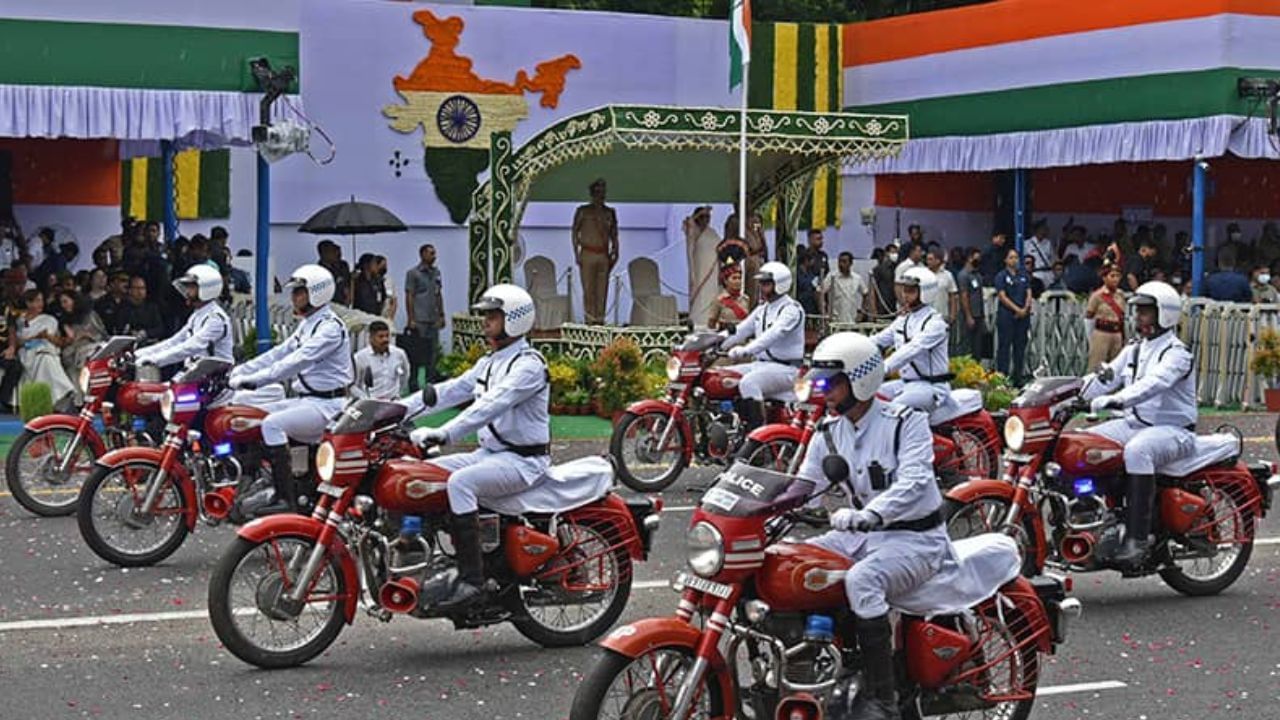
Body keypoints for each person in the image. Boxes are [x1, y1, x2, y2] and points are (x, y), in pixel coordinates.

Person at [799, 332, 952, 720]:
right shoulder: (828, 433)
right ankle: (826, 663)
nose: (825, 391)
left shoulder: (906, 423)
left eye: (832, 383)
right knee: (797, 563)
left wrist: (872, 514)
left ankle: (883, 700)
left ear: (861, 379)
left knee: (862, 581)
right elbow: (803, 487)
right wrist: (750, 504)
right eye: (821, 382)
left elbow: (914, 481)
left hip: (916, 540)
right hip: (860, 536)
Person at [404, 284, 550, 609]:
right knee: (418, 475)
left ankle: (473, 581)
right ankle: (432, 560)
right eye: (485, 315)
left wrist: (445, 433)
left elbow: (490, 406)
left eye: (493, 316)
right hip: (490, 455)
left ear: (514, 319)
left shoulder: (528, 365)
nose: (485, 322)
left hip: (523, 462)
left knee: (461, 483)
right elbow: (449, 391)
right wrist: (394, 410)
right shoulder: (490, 362)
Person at [1081, 281, 1195, 568]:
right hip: (1135, 424)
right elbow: (1105, 378)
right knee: (1082, 443)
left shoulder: (1177, 353)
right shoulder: (1134, 349)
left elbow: (1154, 383)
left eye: (1146, 311)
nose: (1139, 317)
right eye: (1138, 311)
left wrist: (1117, 399)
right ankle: (1091, 518)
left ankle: (1137, 540)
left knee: (1137, 451)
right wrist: (1066, 393)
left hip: (1174, 432)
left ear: (1164, 314)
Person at [229, 264, 353, 514]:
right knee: (251, 415)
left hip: (328, 406)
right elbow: (279, 352)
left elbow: (295, 361)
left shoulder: (329, 328)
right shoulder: (308, 324)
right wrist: (241, 369)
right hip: (307, 401)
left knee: (271, 424)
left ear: (317, 293)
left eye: (299, 292)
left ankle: (285, 498)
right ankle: (253, 480)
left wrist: (255, 381)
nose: (294, 298)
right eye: (295, 292)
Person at [721, 262, 806, 435]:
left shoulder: (791, 310)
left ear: (780, 285)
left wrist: (746, 350)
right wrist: (711, 341)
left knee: (749, 382)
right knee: (721, 375)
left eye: (766, 283)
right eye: (761, 283)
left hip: (787, 369)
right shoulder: (762, 309)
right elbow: (740, 330)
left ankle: (756, 438)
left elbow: (773, 335)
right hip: (761, 365)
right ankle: (730, 427)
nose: (761, 287)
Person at [873, 267, 951, 413]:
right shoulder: (904, 320)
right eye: (905, 290)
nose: (905, 295)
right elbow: (878, 340)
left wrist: (884, 367)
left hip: (931, 387)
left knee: (891, 411)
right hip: (906, 383)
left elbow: (912, 349)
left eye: (911, 291)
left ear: (925, 293)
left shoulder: (935, 324)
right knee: (869, 397)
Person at [134, 265, 234, 369]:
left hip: (215, 378)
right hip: (196, 373)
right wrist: (139, 354)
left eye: (192, 287)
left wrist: (155, 359)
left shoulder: (216, 319)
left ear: (207, 289)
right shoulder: (197, 315)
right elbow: (175, 341)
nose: (187, 292)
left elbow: (192, 346)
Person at [14, 289, 76, 409]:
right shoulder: (19, 320)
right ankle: (61, 391)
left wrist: (47, 336)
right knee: (43, 358)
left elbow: (57, 342)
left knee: (45, 358)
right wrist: (34, 337)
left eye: (41, 300)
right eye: (37, 301)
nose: (40, 304)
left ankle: (63, 391)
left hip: (46, 349)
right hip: (26, 352)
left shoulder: (49, 319)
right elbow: (18, 341)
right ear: (28, 303)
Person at [572, 178, 619, 324]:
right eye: (598, 191)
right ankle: (589, 321)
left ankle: (600, 321)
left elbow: (614, 235)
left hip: (603, 254)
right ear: (592, 193)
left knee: (602, 291)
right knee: (588, 290)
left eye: (603, 191)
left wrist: (616, 251)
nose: (601, 194)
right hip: (588, 253)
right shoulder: (583, 211)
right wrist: (576, 253)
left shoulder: (609, 212)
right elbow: (574, 232)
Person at [404, 243, 446, 391]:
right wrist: (411, 319)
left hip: (433, 319)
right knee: (416, 353)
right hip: (419, 319)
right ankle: (413, 383)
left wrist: (441, 314)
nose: (434, 256)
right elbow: (410, 295)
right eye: (431, 253)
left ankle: (430, 381)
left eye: (434, 253)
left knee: (432, 352)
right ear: (422, 255)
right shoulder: (413, 273)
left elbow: (438, 293)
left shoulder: (436, 272)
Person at [994, 248, 1032, 385]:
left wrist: (1025, 308)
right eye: (1011, 257)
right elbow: (1002, 296)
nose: (1014, 260)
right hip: (1007, 316)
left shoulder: (1024, 275)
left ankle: (1018, 377)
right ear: (1005, 260)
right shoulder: (1001, 276)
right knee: (1004, 347)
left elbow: (1028, 292)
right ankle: (1002, 378)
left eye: (1016, 257)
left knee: (1020, 348)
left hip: (1023, 317)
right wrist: (1017, 309)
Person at [352, 320, 410, 400]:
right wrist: (366, 398)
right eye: (381, 336)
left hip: (393, 401)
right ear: (371, 338)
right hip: (370, 402)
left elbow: (405, 376)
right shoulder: (359, 357)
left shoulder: (399, 354)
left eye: (387, 336)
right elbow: (353, 385)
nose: (385, 340)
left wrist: (397, 393)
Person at [56, 291, 106, 379]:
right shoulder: (64, 321)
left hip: (95, 346)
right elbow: (69, 339)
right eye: (61, 303)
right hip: (75, 351)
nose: (64, 305)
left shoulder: (91, 315)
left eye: (66, 301)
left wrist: (89, 335)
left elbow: (102, 334)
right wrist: (79, 336)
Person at [684, 205, 720, 329]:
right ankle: (698, 322)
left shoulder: (712, 232)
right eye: (703, 217)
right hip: (700, 269)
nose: (706, 219)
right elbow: (689, 221)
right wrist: (700, 213)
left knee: (712, 295)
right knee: (701, 295)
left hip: (713, 270)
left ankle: (712, 321)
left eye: (708, 217)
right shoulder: (694, 230)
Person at [1085, 266, 1127, 369]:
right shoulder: (1097, 295)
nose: (1115, 279)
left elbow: (1121, 317)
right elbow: (1089, 317)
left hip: (1116, 333)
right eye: (1112, 276)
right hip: (1102, 332)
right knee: (1097, 366)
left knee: (1116, 366)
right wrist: (1091, 337)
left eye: (1118, 276)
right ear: (1104, 278)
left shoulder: (1121, 295)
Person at [820, 251, 868, 325]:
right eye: (839, 261)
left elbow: (866, 294)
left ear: (851, 263)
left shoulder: (857, 278)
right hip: (835, 320)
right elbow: (820, 292)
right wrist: (824, 312)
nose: (841, 264)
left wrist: (862, 313)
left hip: (852, 320)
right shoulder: (832, 276)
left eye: (844, 262)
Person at [956, 247, 986, 359]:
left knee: (978, 347)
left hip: (979, 315)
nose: (979, 259)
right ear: (969, 258)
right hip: (969, 316)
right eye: (977, 256)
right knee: (967, 345)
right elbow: (964, 296)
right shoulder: (963, 275)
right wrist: (968, 316)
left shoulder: (977, 275)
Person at [120, 275, 165, 342]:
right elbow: (120, 329)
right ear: (130, 290)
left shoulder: (152, 307)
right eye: (137, 288)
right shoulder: (122, 308)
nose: (140, 292)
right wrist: (131, 333)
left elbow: (160, 329)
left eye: (143, 288)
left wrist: (146, 333)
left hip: (150, 342)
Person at [708, 263, 750, 331]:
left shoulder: (746, 299)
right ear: (725, 281)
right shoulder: (719, 300)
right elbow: (711, 324)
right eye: (734, 278)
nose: (738, 281)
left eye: (739, 278)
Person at [924, 248, 957, 324]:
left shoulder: (947, 275)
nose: (927, 262)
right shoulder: (923, 274)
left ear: (938, 260)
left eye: (930, 259)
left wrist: (953, 314)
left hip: (942, 315)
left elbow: (952, 296)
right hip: (925, 316)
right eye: (927, 259)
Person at [317, 240, 352, 306]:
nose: (335, 254)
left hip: (343, 304)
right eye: (332, 251)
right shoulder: (319, 272)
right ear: (324, 253)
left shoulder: (340, 266)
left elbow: (346, 280)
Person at [1024, 221, 1055, 288]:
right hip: (1036, 273)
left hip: (1048, 273)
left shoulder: (1048, 243)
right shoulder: (1027, 243)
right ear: (1036, 230)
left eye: (1045, 229)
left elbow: (1052, 259)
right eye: (1042, 229)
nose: (1044, 231)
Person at [872, 244, 898, 316]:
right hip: (883, 305)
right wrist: (874, 308)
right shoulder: (879, 269)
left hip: (896, 306)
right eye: (893, 252)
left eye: (896, 253)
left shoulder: (898, 268)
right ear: (887, 253)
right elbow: (874, 289)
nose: (895, 255)